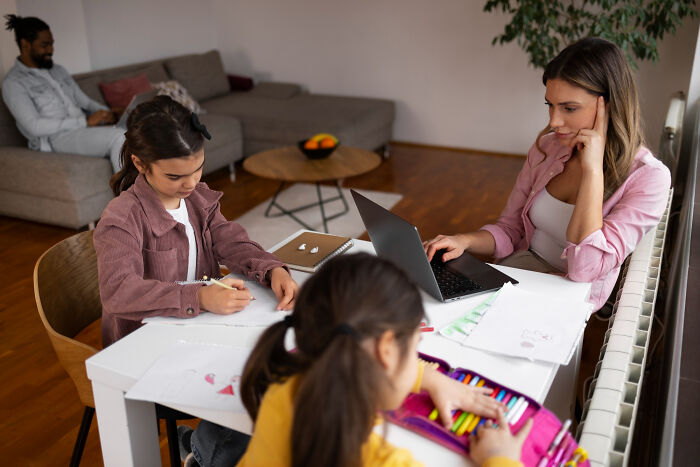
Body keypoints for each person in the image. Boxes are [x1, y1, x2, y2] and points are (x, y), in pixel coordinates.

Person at [424, 37, 671, 312]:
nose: (554, 122)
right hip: (519, 273)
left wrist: (592, 172)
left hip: (566, 299)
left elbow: (584, 270)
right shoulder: (547, 148)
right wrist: (463, 241)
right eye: (550, 105)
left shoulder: (649, 179)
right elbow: (510, 228)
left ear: (609, 105)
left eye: (569, 108)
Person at [226, 252, 532, 467]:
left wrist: (426, 377)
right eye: (414, 348)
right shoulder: (383, 461)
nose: (415, 360)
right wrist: (500, 459)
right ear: (386, 351)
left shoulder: (283, 389)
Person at [93, 95, 298, 347]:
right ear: (140, 163)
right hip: (144, 343)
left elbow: (231, 242)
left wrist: (272, 269)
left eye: (198, 168)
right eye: (174, 176)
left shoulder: (199, 198)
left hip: (199, 327)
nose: (190, 184)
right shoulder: (122, 218)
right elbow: (118, 292)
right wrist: (199, 298)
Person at [2, 14, 124, 171]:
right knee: (119, 137)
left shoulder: (58, 70)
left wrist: (109, 113)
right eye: (44, 45)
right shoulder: (13, 83)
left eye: (52, 44)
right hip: (57, 139)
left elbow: (85, 102)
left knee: (140, 128)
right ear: (25, 44)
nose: (51, 50)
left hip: (82, 129)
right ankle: (129, 195)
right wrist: (84, 122)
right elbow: (34, 126)